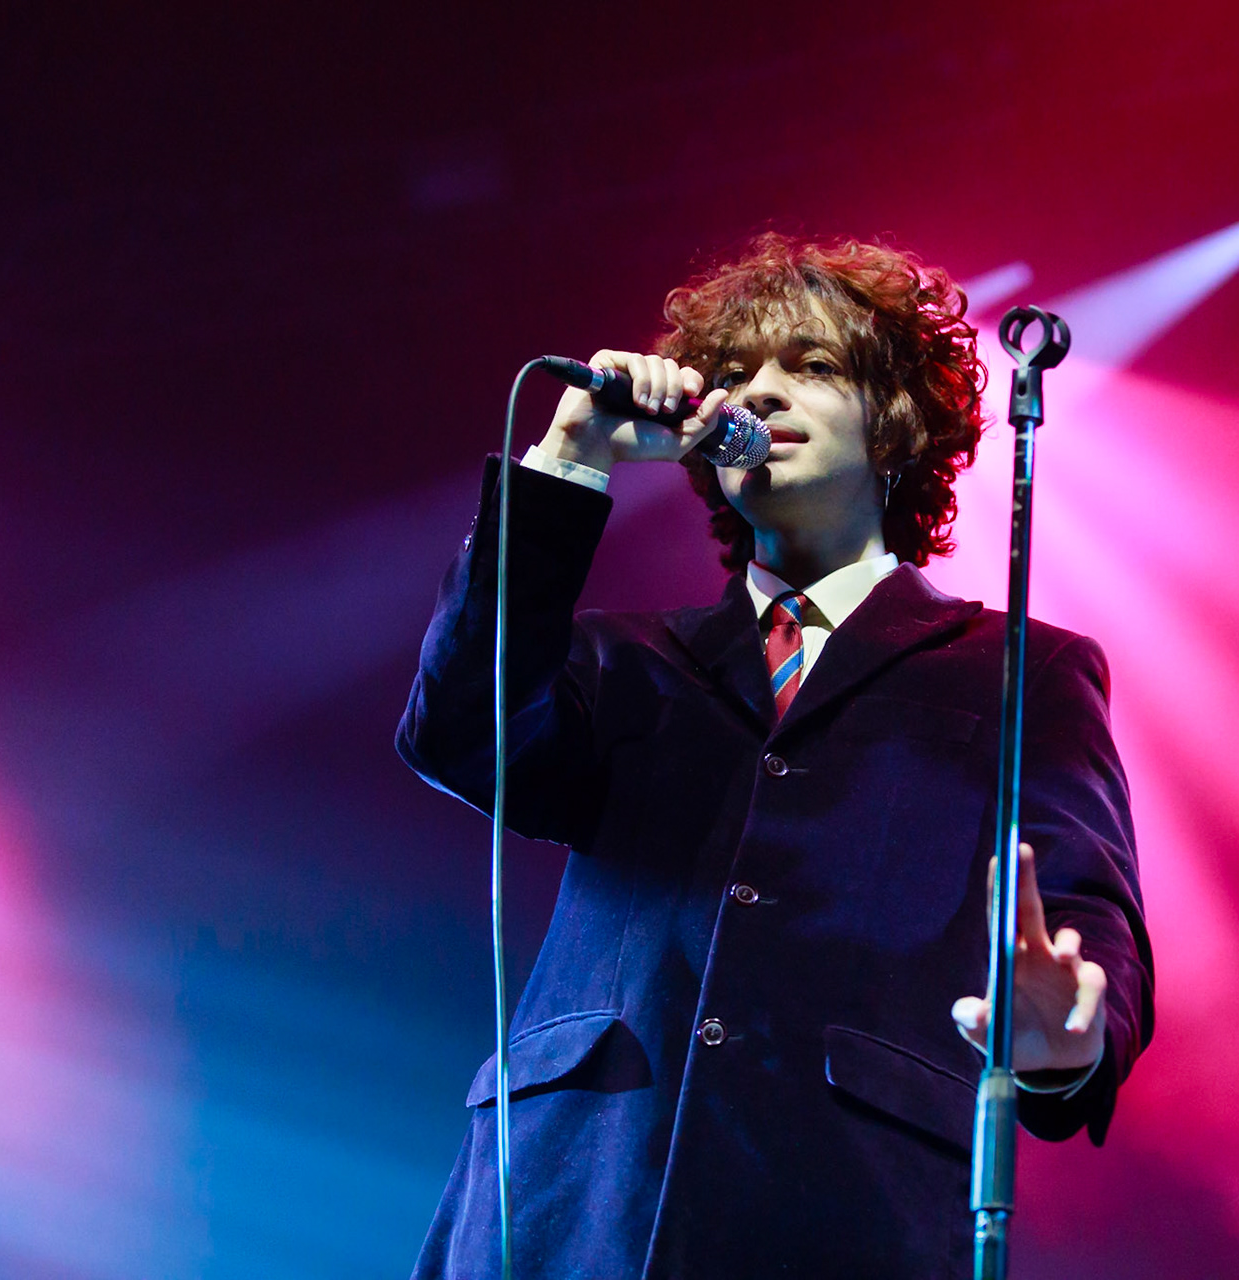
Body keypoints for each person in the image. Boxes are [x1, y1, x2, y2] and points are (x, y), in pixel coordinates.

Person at [398, 233, 1152, 1279]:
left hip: (841, 1208)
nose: (763, 390)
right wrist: (572, 454)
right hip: (573, 1204)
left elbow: (1088, 916)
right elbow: (456, 729)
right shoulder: (627, 658)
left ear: (896, 425)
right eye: (739, 371)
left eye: (814, 365)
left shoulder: (1023, 669)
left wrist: (1067, 1036)